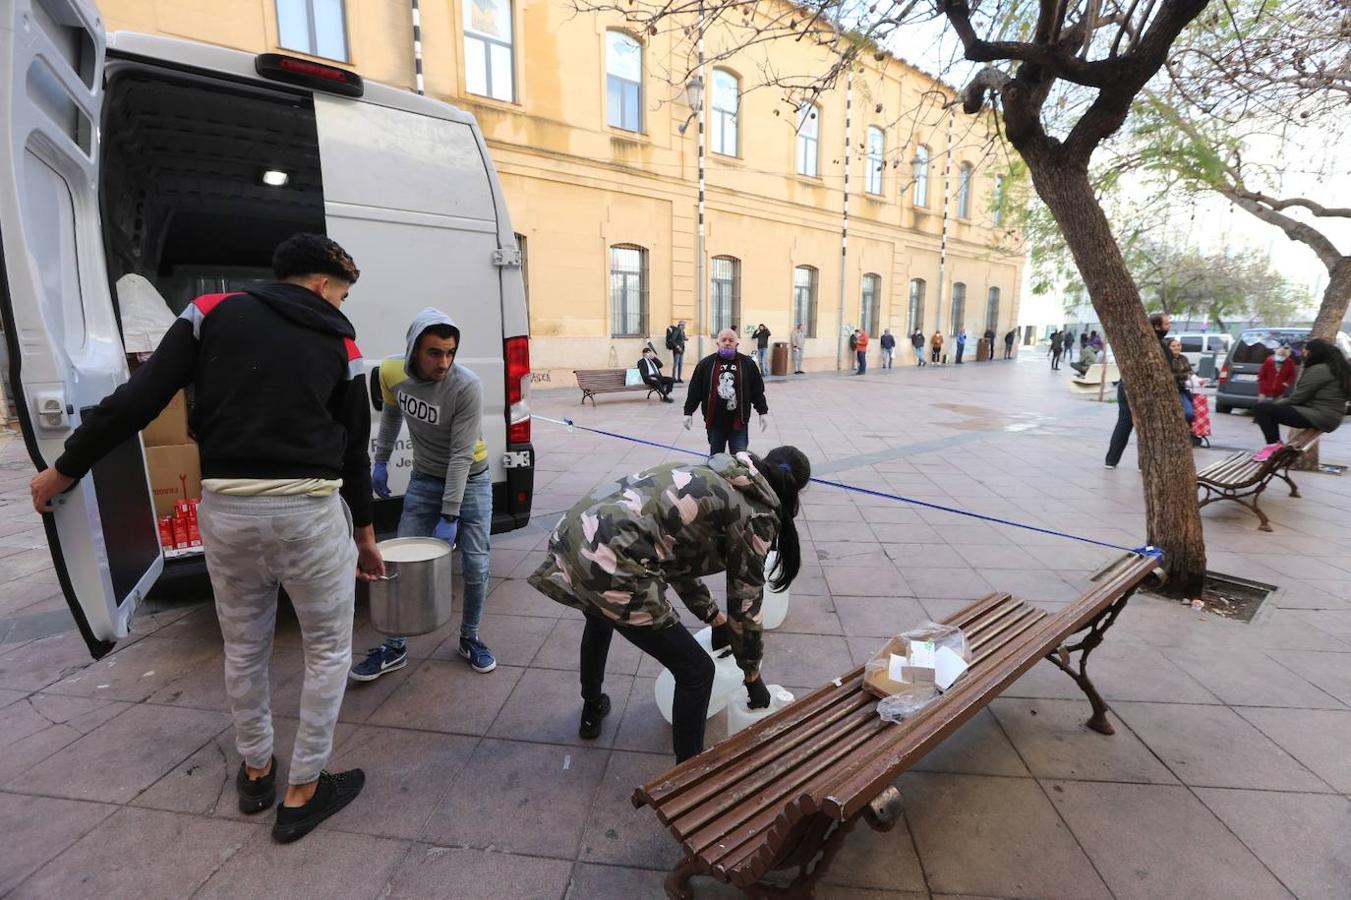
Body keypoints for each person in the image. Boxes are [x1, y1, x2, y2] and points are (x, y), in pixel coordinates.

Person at [28, 234, 383, 842]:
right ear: (325, 284)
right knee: (327, 650)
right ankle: (303, 791)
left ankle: (256, 769)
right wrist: (368, 534)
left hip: (228, 509)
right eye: (343, 292)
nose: (341, 303)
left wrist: (66, 466)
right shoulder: (341, 341)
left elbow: (138, 400)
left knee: (244, 647)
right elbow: (354, 450)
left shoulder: (210, 313)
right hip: (309, 513)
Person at [527, 446, 811, 761]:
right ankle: (687, 777)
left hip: (576, 533)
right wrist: (752, 677)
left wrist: (714, 619)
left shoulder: (720, 472)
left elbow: (676, 560)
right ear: (794, 491)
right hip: (611, 559)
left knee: (599, 618)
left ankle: (592, 707)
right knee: (697, 672)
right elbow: (745, 604)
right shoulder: (755, 516)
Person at [354, 307, 499, 680]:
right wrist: (380, 460)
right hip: (424, 478)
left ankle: (471, 637)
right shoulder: (391, 372)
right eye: (435, 352)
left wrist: (450, 515)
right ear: (414, 349)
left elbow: (461, 456)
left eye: (450, 352)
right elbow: (391, 414)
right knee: (400, 563)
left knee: (476, 565)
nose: (444, 362)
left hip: (471, 479)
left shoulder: (466, 386)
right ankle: (394, 647)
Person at [1252, 338, 1351, 461]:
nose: (1302, 355)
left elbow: (1298, 398)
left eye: (1304, 352)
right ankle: (1273, 445)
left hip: (1321, 416)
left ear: (1313, 353)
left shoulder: (1320, 370)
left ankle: (1273, 446)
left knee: (1262, 408)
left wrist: (1274, 406)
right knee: (1266, 408)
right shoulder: (1333, 368)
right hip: (1328, 416)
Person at [1105, 313, 1173, 469]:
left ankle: (1111, 460)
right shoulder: (1159, 345)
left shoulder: (1135, 341)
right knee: (1146, 427)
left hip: (1126, 386)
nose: (1168, 327)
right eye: (1167, 324)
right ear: (1157, 326)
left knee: (1124, 423)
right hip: (1145, 390)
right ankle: (1144, 464)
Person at [684, 329, 768, 454]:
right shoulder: (706, 364)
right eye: (724, 340)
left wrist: (762, 411)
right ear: (718, 344)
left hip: (739, 421)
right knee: (717, 460)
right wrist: (688, 412)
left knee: (740, 460)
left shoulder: (747, 364)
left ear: (736, 344)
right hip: (715, 422)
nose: (727, 343)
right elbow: (695, 390)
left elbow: (757, 390)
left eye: (731, 340)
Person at [1168, 337, 1196, 423]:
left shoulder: (1183, 358)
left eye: (1178, 345)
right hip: (1172, 390)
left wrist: (1192, 377)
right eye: (1173, 346)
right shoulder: (1166, 359)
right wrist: (1184, 376)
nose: (1177, 347)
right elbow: (1169, 375)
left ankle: (1190, 431)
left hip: (1184, 389)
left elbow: (1190, 371)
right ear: (1168, 348)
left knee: (1192, 413)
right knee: (1187, 413)